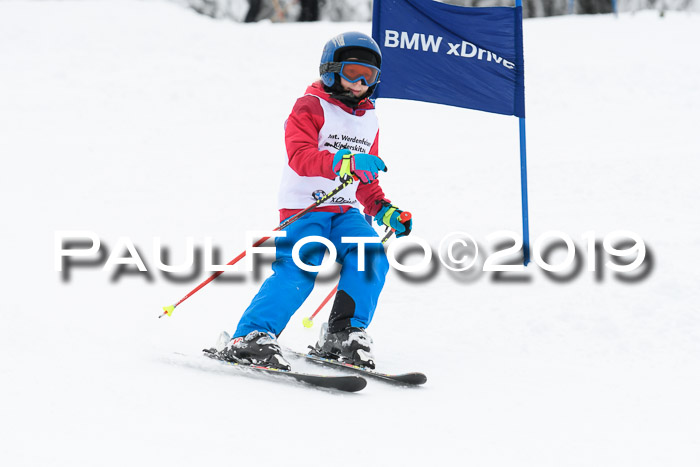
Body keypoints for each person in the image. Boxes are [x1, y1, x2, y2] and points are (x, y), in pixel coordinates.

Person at [215, 32, 412, 371]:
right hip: (305, 207)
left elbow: (367, 179)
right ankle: (250, 336)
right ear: (331, 70)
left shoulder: (369, 120)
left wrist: (383, 209)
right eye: (353, 72)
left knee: (371, 255)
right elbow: (301, 156)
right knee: (300, 267)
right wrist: (344, 161)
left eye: (370, 76)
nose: (361, 83)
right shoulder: (310, 106)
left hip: (347, 210)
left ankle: (342, 334)